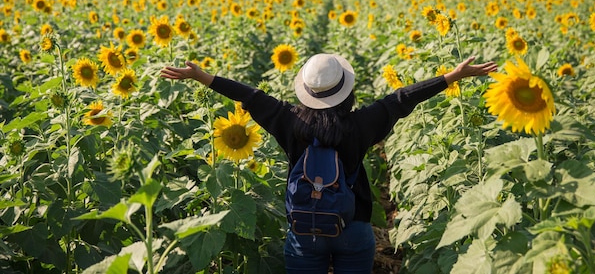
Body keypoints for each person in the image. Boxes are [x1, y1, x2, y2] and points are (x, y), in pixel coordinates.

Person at [160, 53, 497, 274]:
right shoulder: (361, 124)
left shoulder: (289, 121)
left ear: (305, 90)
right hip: (354, 227)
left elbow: (248, 96)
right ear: (347, 92)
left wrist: (201, 76)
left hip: (304, 229)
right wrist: (452, 75)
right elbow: (400, 99)